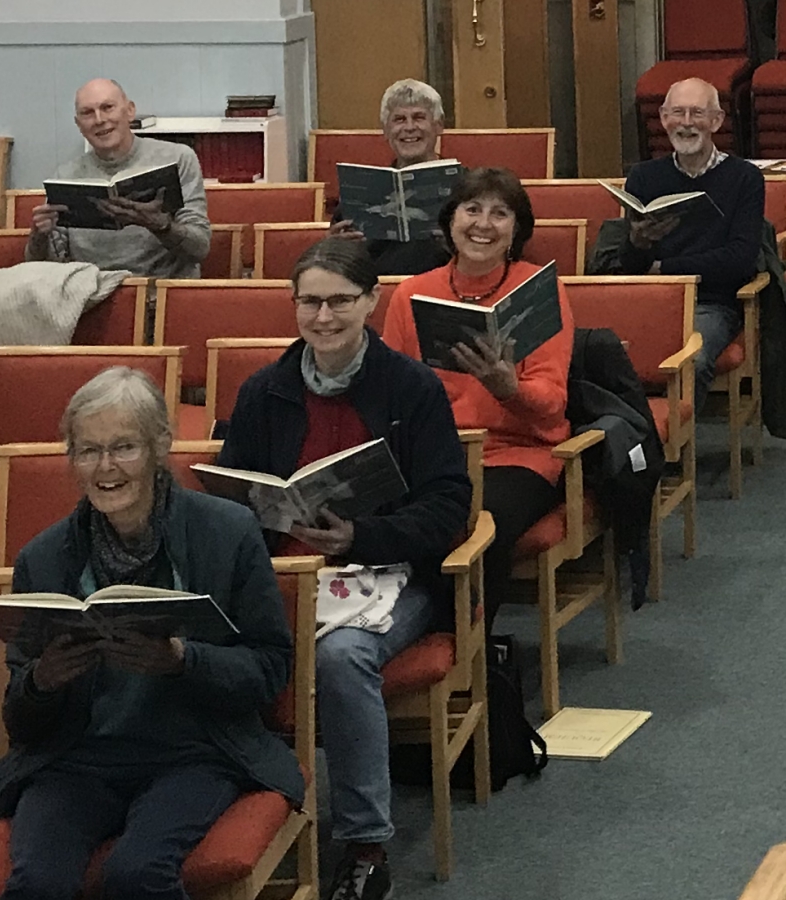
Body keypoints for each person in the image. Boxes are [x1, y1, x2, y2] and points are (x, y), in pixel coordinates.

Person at [0, 367, 303, 900]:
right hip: (75, 761)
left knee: (136, 875)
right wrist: (42, 682)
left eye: (124, 447)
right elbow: (21, 723)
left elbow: (271, 668)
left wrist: (184, 660)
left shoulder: (228, 532)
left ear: (160, 446)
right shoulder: (44, 558)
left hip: (194, 752)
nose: (106, 467)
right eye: (88, 451)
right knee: (37, 883)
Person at [217, 239, 471, 900]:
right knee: (207, 643)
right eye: (310, 301)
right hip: (285, 577)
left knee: (341, 659)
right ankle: (238, 811)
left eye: (339, 301)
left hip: (388, 575)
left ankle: (364, 843)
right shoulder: (264, 391)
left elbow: (448, 507)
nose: (323, 317)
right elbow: (229, 493)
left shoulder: (411, 388)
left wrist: (360, 534)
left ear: (370, 302)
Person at [385, 167, 575, 635]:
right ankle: (401, 640)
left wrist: (507, 387)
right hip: (434, 455)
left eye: (499, 213)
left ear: (516, 230)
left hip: (518, 454)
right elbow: (387, 391)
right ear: (451, 220)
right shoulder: (411, 293)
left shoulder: (538, 290)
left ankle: (471, 656)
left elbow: (552, 403)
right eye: (472, 209)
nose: (483, 224)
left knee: (476, 524)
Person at [590, 77, 764, 410]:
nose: (686, 123)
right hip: (647, 299)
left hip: (711, 303)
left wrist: (666, 268)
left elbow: (740, 259)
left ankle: (673, 456)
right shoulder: (643, 176)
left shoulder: (744, 178)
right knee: (595, 354)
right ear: (664, 118)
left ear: (716, 121)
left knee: (690, 364)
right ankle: (624, 444)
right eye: (677, 113)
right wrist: (638, 244)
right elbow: (631, 266)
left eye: (697, 113)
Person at [26, 78, 211, 278]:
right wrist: (39, 236)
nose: (99, 119)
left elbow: (199, 249)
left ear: (130, 111)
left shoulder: (178, 159)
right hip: (91, 293)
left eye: (107, 108)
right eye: (87, 113)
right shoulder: (65, 176)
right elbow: (44, 270)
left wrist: (161, 226)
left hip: (160, 292)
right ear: (78, 124)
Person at [329, 79, 453, 276]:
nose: (410, 127)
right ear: (386, 130)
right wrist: (337, 248)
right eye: (399, 119)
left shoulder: (467, 189)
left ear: (439, 126)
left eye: (419, 117)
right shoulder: (360, 192)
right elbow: (339, 265)